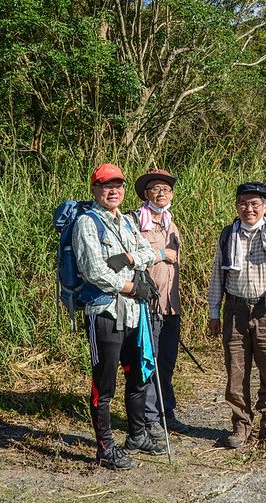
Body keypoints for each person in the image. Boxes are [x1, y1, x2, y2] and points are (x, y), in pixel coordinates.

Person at [73, 163, 168, 470]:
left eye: (118, 185)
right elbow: (94, 270)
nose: (112, 191)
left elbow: (150, 253)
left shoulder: (127, 221)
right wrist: (130, 285)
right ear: (95, 189)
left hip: (132, 312)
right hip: (105, 313)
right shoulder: (87, 223)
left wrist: (127, 258)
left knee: (138, 375)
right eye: (105, 186)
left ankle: (137, 435)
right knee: (105, 383)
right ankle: (105, 448)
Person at [208, 181, 266, 448]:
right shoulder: (228, 234)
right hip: (235, 309)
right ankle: (241, 425)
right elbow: (217, 274)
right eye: (243, 203)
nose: (248, 209)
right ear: (237, 205)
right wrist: (214, 312)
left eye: (254, 203)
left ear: (264, 206)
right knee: (235, 371)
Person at [130, 169, 190, 438]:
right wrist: (161, 253)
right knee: (149, 361)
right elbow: (129, 257)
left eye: (166, 189)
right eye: (155, 188)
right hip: (148, 306)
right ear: (146, 194)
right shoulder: (134, 221)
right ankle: (151, 418)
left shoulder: (170, 223)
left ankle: (167, 412)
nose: (161, 193)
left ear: (172, 195)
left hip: (170, 306)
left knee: (166, 362)